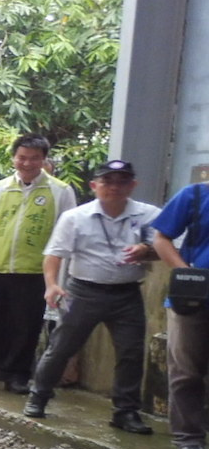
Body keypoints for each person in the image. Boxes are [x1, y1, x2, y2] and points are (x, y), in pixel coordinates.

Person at [22, 161, 159, 431]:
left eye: (122, 182)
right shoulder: (76, 217)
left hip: (127, 293)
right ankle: (38, 397)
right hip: (84, 291)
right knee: (61, 347)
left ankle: (125, 411)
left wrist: (146, 249)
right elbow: (54, 254)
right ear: (94, 186)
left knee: (131, 352)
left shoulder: (149, 214)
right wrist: (51, 285)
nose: (114, 187)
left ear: (133, 186)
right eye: (108, 182)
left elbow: (164, 246)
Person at [0, 135, 76, 392]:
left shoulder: (60, 191)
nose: (27, 163)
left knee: (26, 325)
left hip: (33, 270)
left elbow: (69, 231)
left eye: (33, 158)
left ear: (43, 160)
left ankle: (17, 374)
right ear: (14, 158)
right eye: (22, 157)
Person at [151, 175, 209, 449]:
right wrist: (186, 273)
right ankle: (190, 440)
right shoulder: (195, 195)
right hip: (192, 300)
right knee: (186, 370)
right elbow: (161, 237)